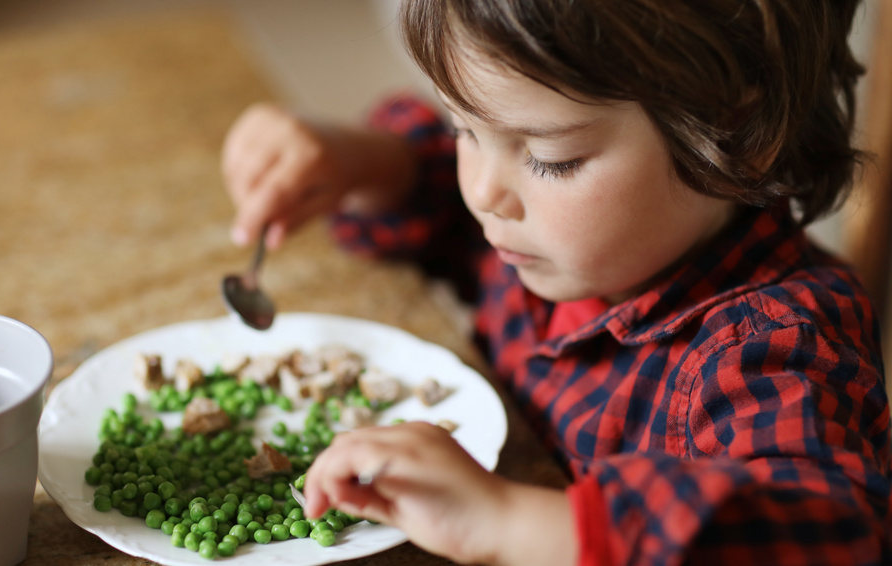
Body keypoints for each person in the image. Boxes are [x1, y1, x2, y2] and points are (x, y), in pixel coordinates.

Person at [220, 0, 892, 564]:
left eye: (551, 159)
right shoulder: (558, 237)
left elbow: (823, 533)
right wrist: (352, 162)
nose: (484, 192)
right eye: (465, 127)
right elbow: (433, 204)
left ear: (735, 133)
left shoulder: (773, 350)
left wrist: (509, 521)